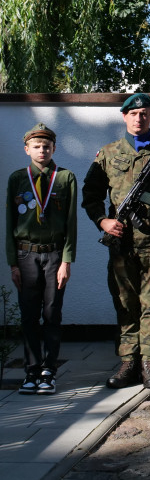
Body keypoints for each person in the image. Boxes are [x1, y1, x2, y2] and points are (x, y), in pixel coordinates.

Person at [81, 94, 150, 391]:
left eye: (144, 113)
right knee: (125, 304)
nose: (138, 118)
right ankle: (128, 361)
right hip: (120, 243)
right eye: (133, 113)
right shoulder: (108, 154)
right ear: (124, 117)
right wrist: (103, 221)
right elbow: (90, 196)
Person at [7, 123, 78, 395]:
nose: (42, 150)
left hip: (54, 255)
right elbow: (9, 223)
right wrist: (13, 262)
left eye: (46, 146)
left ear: (54, 148)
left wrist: (66, 261)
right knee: (28, 315)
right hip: (26, 255)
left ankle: (49, 370)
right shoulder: (17, 179)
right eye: (36, 146)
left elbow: (71, 223)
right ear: (27, 149)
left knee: (51, 313)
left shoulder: (65, 178)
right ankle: (31, 371)